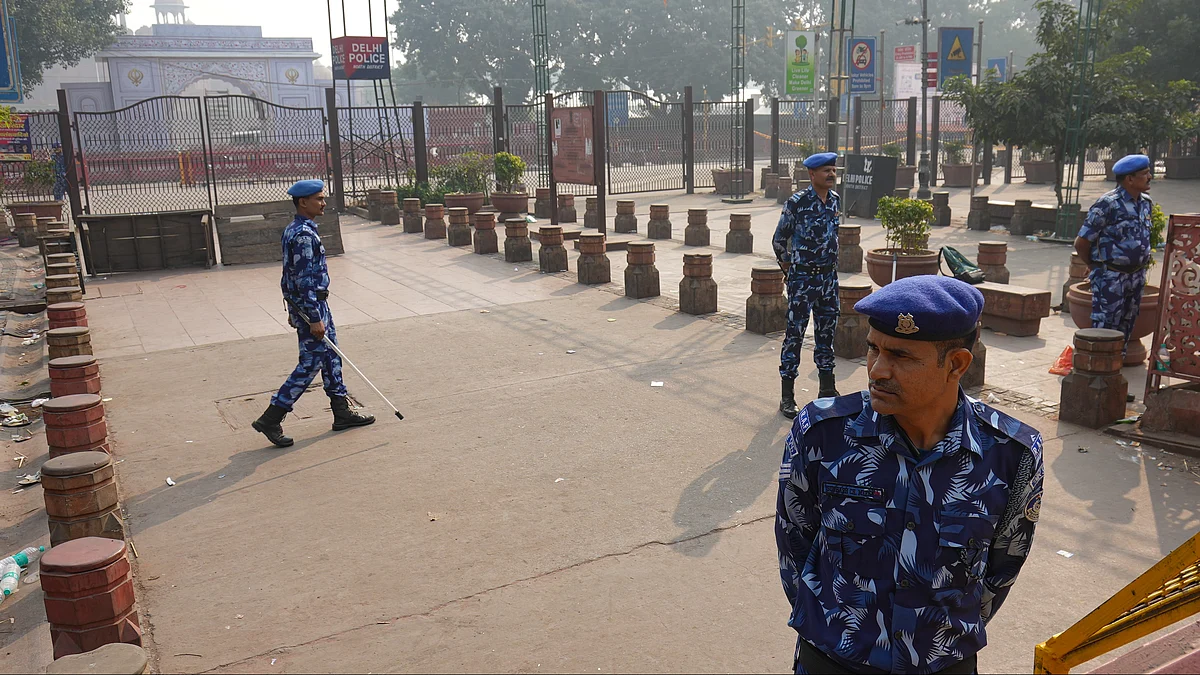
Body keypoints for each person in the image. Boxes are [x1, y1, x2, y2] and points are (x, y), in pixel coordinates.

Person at [775, 275, 1043, 674]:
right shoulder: (823, 433)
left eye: (901, 357)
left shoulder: (1011, 454)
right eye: (873, 349)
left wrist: (935, 639)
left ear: (956, 364)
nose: (877, 370)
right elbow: (795, 543)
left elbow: (1002, 568)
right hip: (833, 659)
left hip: (942, 664)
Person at [252, 179, 374, 447]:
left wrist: (295, 307)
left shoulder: (296, 229)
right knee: (311, 363)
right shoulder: (304, 235)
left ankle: (341, 411)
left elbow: (288, 275)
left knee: (331, 357)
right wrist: (312, 316)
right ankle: (272, 416)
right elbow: (305, 279)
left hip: (310, 305)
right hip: (312, 307)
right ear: (302, 202)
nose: (323, 202)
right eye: (318, 198)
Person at [773, 151, 841, 418]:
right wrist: (790, 270)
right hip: (803, 279)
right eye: (826, 170)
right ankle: (787, 397)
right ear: (812, 175)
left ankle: (827, 390)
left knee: (827, 334)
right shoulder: (797, 203)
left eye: (833, 170)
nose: (831, 174)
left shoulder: (834, 200)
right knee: (795, 335)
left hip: (828, 279)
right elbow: (779, 240)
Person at [1074, 153, 1153, 352]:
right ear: (1129, 179)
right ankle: (1099, 373)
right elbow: (1082, 242)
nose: (1150, 176)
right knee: (1105, 329)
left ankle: (1116, 369)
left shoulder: (1145, 203)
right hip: (1111, 277)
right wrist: (1094, 267)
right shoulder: (1108, 204)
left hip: (1136, 276)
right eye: (1145, 173)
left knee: (1127, 326)